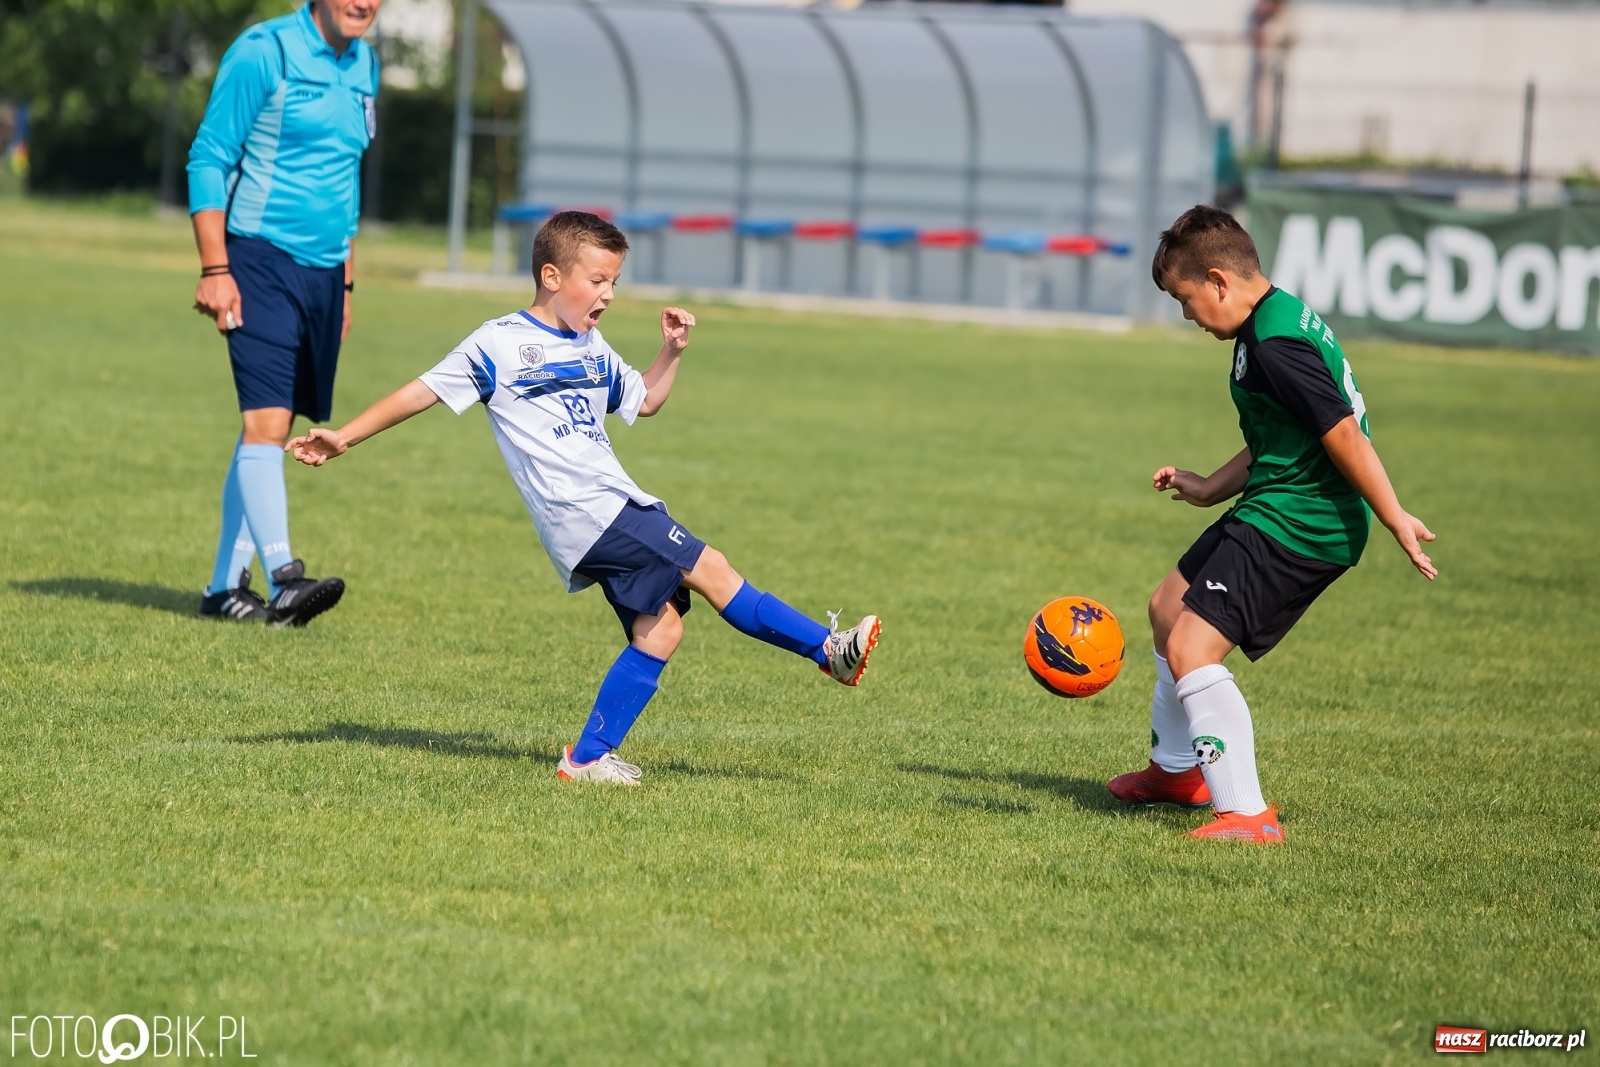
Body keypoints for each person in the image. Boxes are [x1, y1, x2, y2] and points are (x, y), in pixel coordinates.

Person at [285, 212, 881, 784]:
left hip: (604, 512)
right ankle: (827, 650)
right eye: (597, 280)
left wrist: (671, 351)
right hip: (589, 510)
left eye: (614, 282)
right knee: (713, 569)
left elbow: (644, 400)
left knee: (661, 632)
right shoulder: (499, 343)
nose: (608, 294)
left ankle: (587, 759)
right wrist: (344, 437)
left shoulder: (591, 344)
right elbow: (422, 392)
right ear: (552, 276)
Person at [1107, 205, 1437, 843]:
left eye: (1185, 299)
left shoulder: (1274, 343)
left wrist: (1393, 515)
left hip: (1305, 521)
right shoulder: (1270, 319)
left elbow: (1342, 432)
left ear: (1218, 280)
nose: (1187, 316)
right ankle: (1177, 773)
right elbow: (1285, 432)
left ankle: (1246, 815)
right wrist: (1210, 487)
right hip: (1275, 501)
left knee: (1192, 647)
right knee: (1168, 609)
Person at [187, 0, 381, 626]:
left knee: (266, 432)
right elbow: (209, 157)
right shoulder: (263, 51)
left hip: (324, 275)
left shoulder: (366, 64)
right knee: (267, 423)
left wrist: (345, 286)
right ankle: (285, 579)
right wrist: (215, 269)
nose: (364, 3)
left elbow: (346, 177)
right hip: (258, 259)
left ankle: (223, 589)